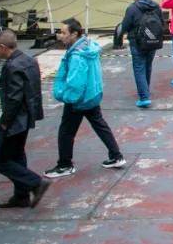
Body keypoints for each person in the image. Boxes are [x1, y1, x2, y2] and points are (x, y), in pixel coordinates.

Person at [45, 19, 126, 178]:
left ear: (74, 34)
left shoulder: (77, 56)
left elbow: (75, 83)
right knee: (99, 124)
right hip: (92, 95)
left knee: (66, 132)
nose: (60, 36)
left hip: (79, 100)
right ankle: (116, 156)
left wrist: (66, 97)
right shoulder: (89, 47)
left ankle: (65, 165)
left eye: (63, 32)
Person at [0, 29, 51, 209]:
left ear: (2, 47)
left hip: (15, 119)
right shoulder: (29, 61)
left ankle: (35, 183)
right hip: (27, 117)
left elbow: (14, 98)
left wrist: (5, 122)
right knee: (16, 155)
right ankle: (21, 195)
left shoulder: (12, 66)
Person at [119, 0, 163, 108]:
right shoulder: (156, 6)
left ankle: (144, 97)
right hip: (153, 41)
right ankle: (145, 90)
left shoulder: (132, 8)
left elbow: (125, 26)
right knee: (148, 66)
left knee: (139, 68)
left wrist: (122, 35)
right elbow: (161, 23)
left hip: (137, 42)